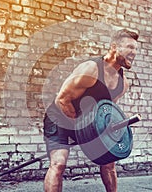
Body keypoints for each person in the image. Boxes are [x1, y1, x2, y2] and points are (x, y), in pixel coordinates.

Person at [43, 29, 139, 192]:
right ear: (114, 47)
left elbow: (108, 110)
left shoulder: (123, 83)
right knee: (58, 163)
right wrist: (82, 130)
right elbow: (63, 100)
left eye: (136, 49)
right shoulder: (90, 70)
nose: (134, 53)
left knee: (109, 163)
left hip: (87, 122)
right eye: (130, 47)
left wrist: (101, 133)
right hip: (60, 117)